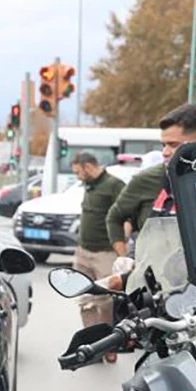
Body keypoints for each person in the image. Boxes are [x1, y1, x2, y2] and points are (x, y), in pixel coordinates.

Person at [104, 104, 196, 254]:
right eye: (163, 145)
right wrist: (123, 258)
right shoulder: (147, 179)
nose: (165, 152)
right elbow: (114, 217)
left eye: (173, 145)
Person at [71, 152, 127, 359]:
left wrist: (122, 250)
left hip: (105, 252)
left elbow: (124, 216)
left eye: (78, 171)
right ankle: (90, 345)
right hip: (83, 251)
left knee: (104, 302)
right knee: (83, 298)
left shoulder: (114, 185)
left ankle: (108, 345)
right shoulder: (89, 184)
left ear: (88, 166)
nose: (77, 176)